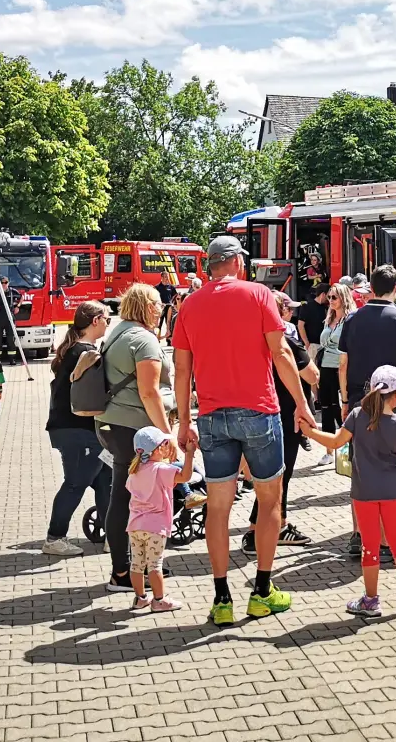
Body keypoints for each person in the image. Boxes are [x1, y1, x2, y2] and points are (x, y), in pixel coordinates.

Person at [172, 236, 314, 627]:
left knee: (218, 506)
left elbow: (181, 370)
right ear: (236, 261)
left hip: (212, 416)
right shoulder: (259, 295)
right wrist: (301, 404)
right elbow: (282, 353)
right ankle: (262, 592)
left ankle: (221, 599)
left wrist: (184, 422)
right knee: (270, 499)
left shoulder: (190, 304)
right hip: (259, 411)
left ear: (209, 265)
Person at [303, 365, 396, 617]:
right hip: (392, 491)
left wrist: (310, 432)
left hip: (363, 491)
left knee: (369, 546)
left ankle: (370, 600)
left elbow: (336, 442)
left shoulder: (357, 415)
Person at [338, 264, 396, 557]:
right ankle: (388, 539)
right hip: (394, 404)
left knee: (359, 469)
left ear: (371, 288)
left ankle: (359, 533)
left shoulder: (352, 320)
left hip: (360, 400)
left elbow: (343, 364)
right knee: (395, 469)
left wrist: (346, 399)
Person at [96, 284, 173, 594]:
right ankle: (127, 570)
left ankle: (128, 567)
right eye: (157, 305)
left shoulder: (117, 332)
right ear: (145, 307)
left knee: (124, 496)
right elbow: (149, 392)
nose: (161, 309)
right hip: (134, 430)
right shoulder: (143, 340)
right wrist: (167, 433)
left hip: (110, 425)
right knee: (134, 498)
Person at [242, 291, 321, 554]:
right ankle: (260, 533)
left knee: (269, 477)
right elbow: (311, 376)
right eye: (288, 309)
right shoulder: (287, 341)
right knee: (279, 477)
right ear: (280, 312)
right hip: (287, 414)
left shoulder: (247, 339)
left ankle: (268, 527)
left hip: (255, 411)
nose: (291, 313)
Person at [44, 302, 114, 557]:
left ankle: (112, 535)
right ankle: (54, 537)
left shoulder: (76, 349)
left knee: (107, 479)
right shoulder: (84, 352)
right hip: (77, 430)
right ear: (95, 321)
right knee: (75, 483)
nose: (108, 322)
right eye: (106, 317)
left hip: (78, 430)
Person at [126, 426, 195, 612]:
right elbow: (186, 476)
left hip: (135, 525)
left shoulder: (135, 470)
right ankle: (159, 600)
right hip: (155, 527)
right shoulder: (161, 469)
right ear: (157, 449)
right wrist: (189, 455)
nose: (167, 447)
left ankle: (140, 598)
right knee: (155, 565)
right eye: (165, 444)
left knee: (137, 564)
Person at [315, 283, 356, 466]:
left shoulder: (350, 320)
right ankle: (329, 451)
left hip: (342, 368)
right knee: (326, 408)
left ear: (343, 298)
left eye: (334, 297)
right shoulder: (329, 318)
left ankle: (348, 449)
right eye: (329, 297)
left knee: (342, 409)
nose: (330, 301)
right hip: (325, 367)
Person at [0, 278, 21, 362]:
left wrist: (18, 306)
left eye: (5, 282)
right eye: (2, 282)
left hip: (9, 319)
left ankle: (12, 359)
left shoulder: (12, 291)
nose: (3, 284)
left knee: (10, 339)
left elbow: (21, 297)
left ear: (8, 283)